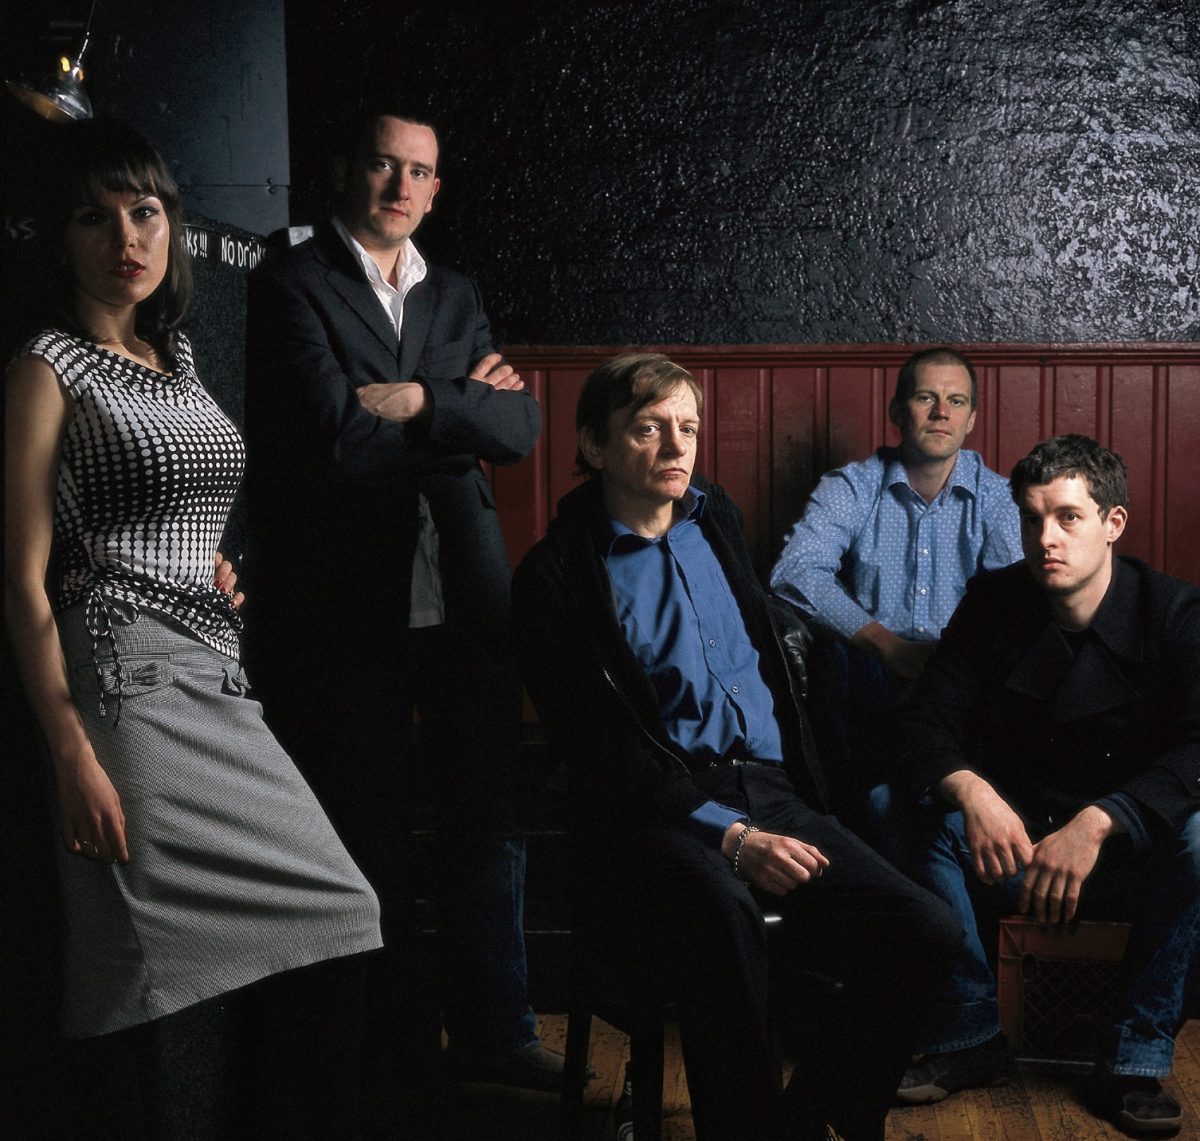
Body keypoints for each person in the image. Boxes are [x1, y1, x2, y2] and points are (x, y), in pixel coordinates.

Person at [4, 118, 382, 1138]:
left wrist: (201, 559)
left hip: (215, 677)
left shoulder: (176, 356)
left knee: (343, 910)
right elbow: (23, 579)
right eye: (96, 218)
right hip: (119, 686)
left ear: (169, 226)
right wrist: (69, 752)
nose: (126, 238)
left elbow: (182, 503)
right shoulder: (47, 366)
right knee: (134, 979)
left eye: (145, 212)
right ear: (62, 239)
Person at [511, 353, 963, 1141]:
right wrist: (731, 836)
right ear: (593, 444)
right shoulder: (557, 575)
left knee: (927, 929)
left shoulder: (712, 519)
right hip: (654, 812)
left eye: (687, 427)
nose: (675, 446)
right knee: (722, 914)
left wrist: (791, 803)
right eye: (648, 428)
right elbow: (600, 747)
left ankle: (806, 1118)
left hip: (770, 789)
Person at [241, 102, 553, 1100]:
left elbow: (520, 428)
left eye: (419, 171)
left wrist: (422, 401)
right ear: (348, 171)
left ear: (435, 188)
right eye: (384, 165)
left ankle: (497, 1032)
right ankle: (399, 1052)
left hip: (464, 593)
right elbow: (335, 437)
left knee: (485, 816)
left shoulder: (454, 291)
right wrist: (464, 409)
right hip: (348, 603)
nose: (400, 186)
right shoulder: (291, 282)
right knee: (367, 823)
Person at [874, 435, 1200, 1135]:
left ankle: (1134, 1058)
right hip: (1012, 847)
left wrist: (1102, 820)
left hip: (1123, 856)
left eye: (1068, 517)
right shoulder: (995, 601)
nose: (1045, 538)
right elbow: (925, 721)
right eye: (1031, 518)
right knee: (894, 804)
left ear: (1113, 523)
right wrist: (972, 791)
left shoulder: (1174, 613)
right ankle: (969, 1034)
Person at [770, 347, 1021, 809]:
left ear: (971, 419)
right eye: (926, 397)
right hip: (870, 671)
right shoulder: (853, 486)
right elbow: (796, 571)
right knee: (838, 667)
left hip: (963, 676)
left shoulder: (999, 498)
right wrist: (890, 648)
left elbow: (1015, 600)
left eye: (957, 401)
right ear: (897, 411)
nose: (941, 412)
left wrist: (942, 667)